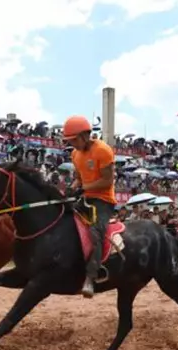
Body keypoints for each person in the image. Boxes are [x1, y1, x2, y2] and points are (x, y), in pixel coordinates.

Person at [62, 115, 117, 298]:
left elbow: (107, 181)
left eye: (74, 140)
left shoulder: (103, 151)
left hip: (103, 200)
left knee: (95, 232)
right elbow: (78, 178)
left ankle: (91, 278)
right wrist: (72, 189)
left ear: (85, 135)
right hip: (84, 196)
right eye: (70, 141)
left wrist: (84, 188)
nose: (72, 144)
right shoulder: (75, 154)